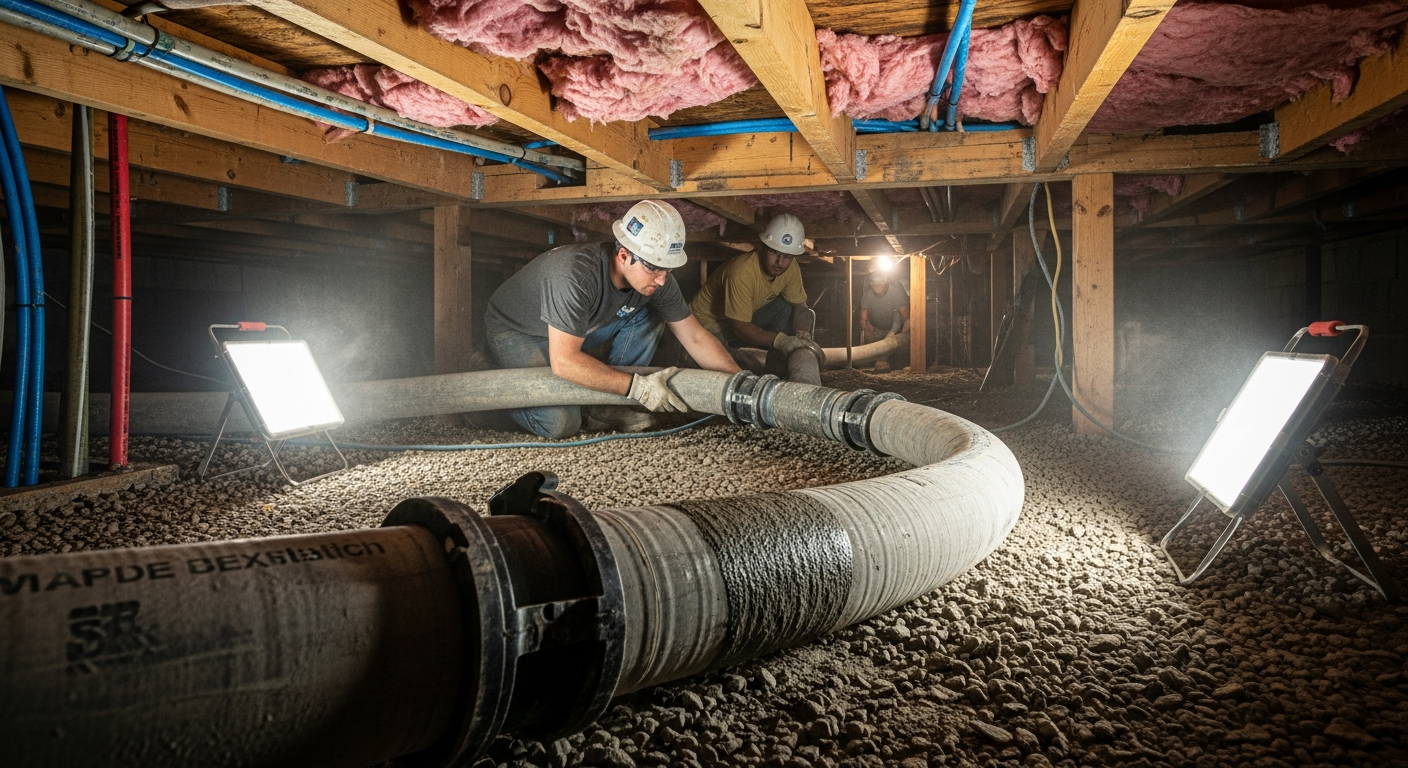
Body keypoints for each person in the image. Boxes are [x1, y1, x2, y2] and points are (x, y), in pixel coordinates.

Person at [483, 200, 741, 438]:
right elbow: (564, 361)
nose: (662, 279)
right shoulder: (574, 276)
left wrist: (740, 381)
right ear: (623, 255)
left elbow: (694, 336)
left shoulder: (658, 280)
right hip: (519, 330)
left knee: (652, 313)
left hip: (575, 328)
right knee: (560, 423)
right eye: (653, 267)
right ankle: (485, 391)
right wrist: (638, 388)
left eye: (668, 268)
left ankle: (606, 409)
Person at [688, 214, 815, 362]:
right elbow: (740, 327)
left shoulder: (791, 269)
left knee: (787, 308)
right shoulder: (741, 272)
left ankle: (776, 371)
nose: (779, 262)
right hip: (708, 324)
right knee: (733, 368)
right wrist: (780, 341)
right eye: (773, 252)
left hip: (740, 318)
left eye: (787, 256)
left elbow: (800, 306)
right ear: (761, 247)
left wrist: (802, 333)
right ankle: (729, 354)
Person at [860, 267, 910, 344]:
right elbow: (864, 317)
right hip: (875, 328)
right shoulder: (869, 293)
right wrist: (866, 331)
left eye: (879, 284)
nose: (877, 286)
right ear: (871, 283)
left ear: (886, 282)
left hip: (896, 330)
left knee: (896, 313)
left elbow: (906, 317)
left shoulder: (896, 290)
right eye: (874, 284)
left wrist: (902, 335)